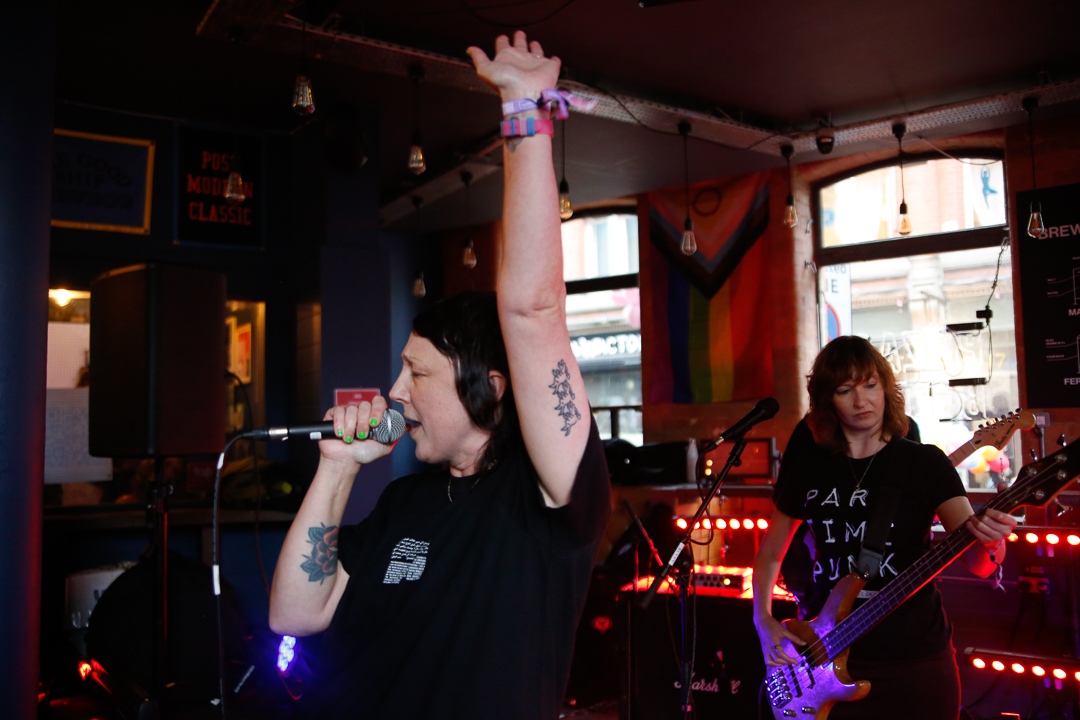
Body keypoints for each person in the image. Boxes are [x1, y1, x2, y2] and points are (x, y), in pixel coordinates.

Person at [268, 32, 611, 720]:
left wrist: (523, 109)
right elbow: (295, 615)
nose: (395, 392)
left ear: (490, 387)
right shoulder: (406, 502)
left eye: (416, 372)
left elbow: (533, 311)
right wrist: (337, 468)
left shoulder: (546, 499)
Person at [751, 336, 1016, 719]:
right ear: (827, 400)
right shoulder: (810, 468)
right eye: (845, 390)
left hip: (914, 659)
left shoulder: (925, 463)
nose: (862, 401)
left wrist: (993, 543)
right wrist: (762, 620)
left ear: (886, 389)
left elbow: (981, 564)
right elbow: (769, 555)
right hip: (822, 657)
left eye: (871, 386)